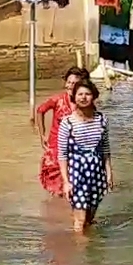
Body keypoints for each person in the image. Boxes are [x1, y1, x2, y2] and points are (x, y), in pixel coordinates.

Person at [57, 78, 115, 232]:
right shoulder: (67, 122)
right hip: (77, 175)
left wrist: (109, 173)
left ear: (94, 96)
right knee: (80, 220)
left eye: (87, 94)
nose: (83, 97)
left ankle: (92, 252)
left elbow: (105, 149)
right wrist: (66, 182)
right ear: (74, 97)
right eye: (80, 94)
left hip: (97, 174)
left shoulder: (102, 120)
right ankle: (80, 254)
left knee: (89, 219)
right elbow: (62, 155)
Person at [33, 67, 89, 198]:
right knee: (57, 185)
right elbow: (40, 110)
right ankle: (57, 210)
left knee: (76, 183)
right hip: (56, 148)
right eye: (68, 82)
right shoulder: (58, 100)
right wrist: (42, 135)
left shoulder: (83, 102)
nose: (69, 86)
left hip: (76, 149)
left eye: (73, 83)